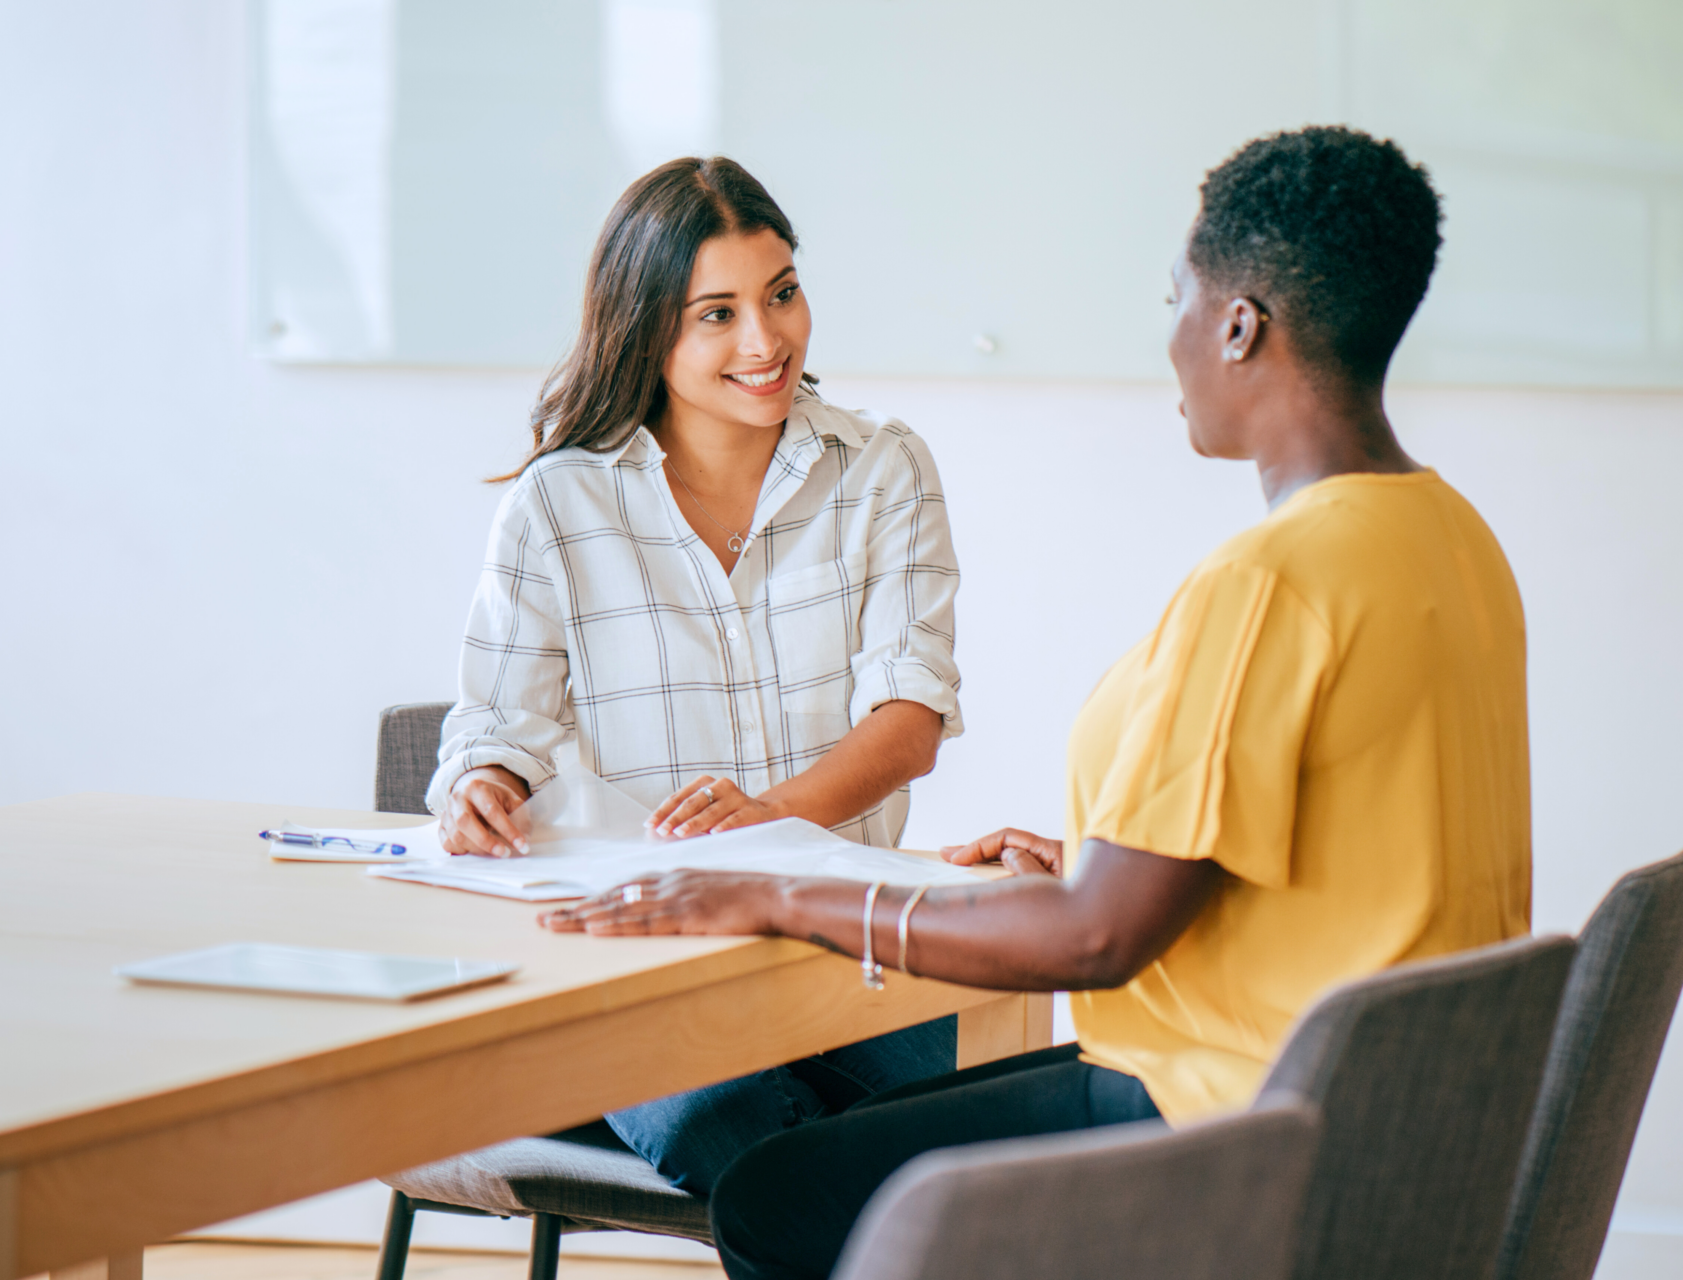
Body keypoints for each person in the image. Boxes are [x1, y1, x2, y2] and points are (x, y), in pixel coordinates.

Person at [540, 125, 1532, 1280]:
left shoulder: (1267, 585)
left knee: (776, 1193)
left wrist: (774, 887)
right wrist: (1092, 863)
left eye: (1178, 298)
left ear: (1239, 325)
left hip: (1231, 1123)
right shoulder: (1451, 539)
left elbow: (1099, 939)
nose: (1170, 337)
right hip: (1389, 1125)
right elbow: (1350, 861)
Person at [425, 157, 966, 1193]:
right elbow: (494, 724)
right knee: (747, 1132)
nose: (766, 340)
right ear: (646, 329)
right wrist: (483, 786)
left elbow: (909, 720)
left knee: (983, 1115)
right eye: (716, 313)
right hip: (643, 974)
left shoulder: (883, 468)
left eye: (782, 293)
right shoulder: (558, 505)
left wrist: (761, 823)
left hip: (849, 958)